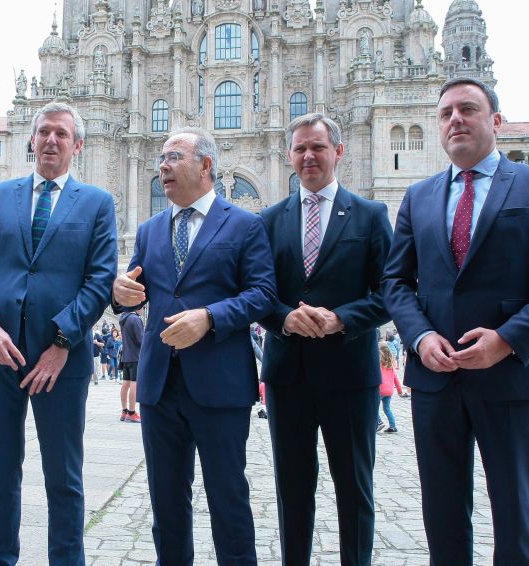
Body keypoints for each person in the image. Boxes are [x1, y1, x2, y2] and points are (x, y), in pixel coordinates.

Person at [382, 77, 529, 565]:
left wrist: (508, 338)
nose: (455, 119)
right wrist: (420, 335)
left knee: (515, 519)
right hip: (436, 379)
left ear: (494, 120)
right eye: (446, 113)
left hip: (511, 378)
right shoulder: (419, 197)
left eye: (468, 109)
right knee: (443, 518)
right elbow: (395, 283)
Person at [0, 101, 117, 566]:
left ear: (77, 145)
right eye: (44, 131)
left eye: (61, 134)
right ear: (32, 139)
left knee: (63, 477)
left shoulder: (96, 203)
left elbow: (99, 280)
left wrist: (62, 343)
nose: (51, 140)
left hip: (60, 361)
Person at [113, 126, 277, 565]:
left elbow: (263, 294)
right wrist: (120, 292)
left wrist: (209, 318)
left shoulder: (244, 224)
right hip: (159, 387)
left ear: (205, 165)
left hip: (219, 386)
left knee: (229, 501)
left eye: (173, 157)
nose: (162, 165)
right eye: (161, 158)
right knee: (166, 506)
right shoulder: (149, 231)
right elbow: (131, 288)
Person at [258, 112, 392, 566]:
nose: (308, 156)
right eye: (300, 148)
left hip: (350, 374)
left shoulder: (371, 216)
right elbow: (258, 293)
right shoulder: (269, 220)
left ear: (338, 151)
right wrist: (284, 318)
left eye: (317, 147)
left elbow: (390, 292)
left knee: (354, 487)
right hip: (287, 375)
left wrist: (341, 319)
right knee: (292, 488)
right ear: (289, 155)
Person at [118, 307, 144, 423]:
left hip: (126, 357)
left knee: (125, 384)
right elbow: (141, 340)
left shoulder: (123, 318)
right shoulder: (135, 319)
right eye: (143, 307)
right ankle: (132, 413)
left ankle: (124, 411)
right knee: (134, 384)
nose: (143, 310)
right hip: (135, 356)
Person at [377, 342, 403, 433]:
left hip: (380, 390)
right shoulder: (391, 365)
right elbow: (396, 378)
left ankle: (379, 422)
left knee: (374, 408)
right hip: (389, 391)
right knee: (387, 408)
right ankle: (393, 426)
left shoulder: (378, 364)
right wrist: (399, 390)